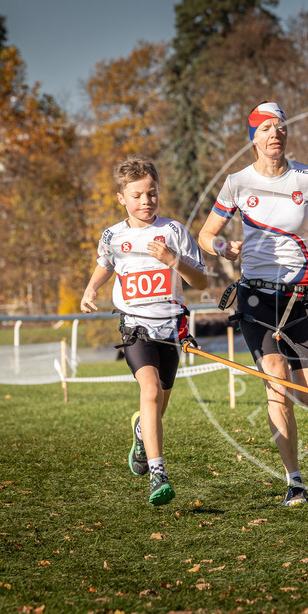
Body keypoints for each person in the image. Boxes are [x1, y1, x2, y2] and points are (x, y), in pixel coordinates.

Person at [199, 101, 308, 507]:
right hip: (257, 297)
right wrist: (222, 246)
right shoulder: (237, 183)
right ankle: (295, 480)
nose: (274, 134)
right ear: (254, 139)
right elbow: (205, 235)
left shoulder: (307, 176)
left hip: (305, 296)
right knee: (276, 378)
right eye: (265, 129)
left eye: (279, 128)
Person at [81, 156, 208, 506]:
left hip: (171, 332)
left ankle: (141, 432)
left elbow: (201, 281)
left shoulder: (174, 232)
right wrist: (91, 289)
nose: (146, 201)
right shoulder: (112, 236)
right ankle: (158, 474)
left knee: (159, 402)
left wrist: (173, 261)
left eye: (151, 193)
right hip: (135, 328)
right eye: (137, 195)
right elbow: (104, 265)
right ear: (121, 197)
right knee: (149, 391)